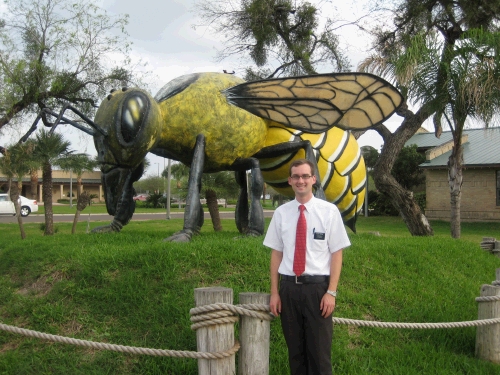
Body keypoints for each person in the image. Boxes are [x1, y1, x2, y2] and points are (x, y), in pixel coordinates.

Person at [263, 158, 350, 375]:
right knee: (296, 355)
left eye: (305, 176)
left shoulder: (329, 212)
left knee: (319, 356)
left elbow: (336, 254)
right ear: (290, 181)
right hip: (289, 290)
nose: (300, 180)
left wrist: (331, 292)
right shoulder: (282, 213)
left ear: (313, 179)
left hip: (317, 291)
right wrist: (275, 292)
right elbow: (276, 253)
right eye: (296, 177)